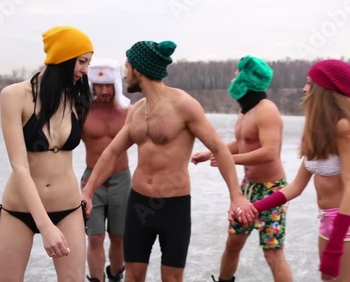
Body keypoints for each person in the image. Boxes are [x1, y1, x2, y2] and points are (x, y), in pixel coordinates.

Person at [81, 40, 257, 282]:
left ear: (139, 70)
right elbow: (111, 152)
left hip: (174, 206)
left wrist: (236, 196)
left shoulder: (184, 105)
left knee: (172, 278)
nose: (125, 74)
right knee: (133, 276)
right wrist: (89, 191)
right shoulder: (136, 110)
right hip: (139, 203)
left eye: (128, 67)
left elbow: (219, 148)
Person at [245, 59, 350, 282]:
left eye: (309, 83)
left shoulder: (343, 127)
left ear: (325, 89)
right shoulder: (316, 129)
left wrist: (335, 248)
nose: (304, 89)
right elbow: (296, 187)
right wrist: (255, 207)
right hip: (326, 219)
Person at [0, 26, 94, 281]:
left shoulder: (77, 100)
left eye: (88, 63)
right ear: (63, 58)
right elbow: (20, 166)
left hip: (67, 209)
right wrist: (45, 226)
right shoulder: (14, 96)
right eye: (82, 61)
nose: (85, 70)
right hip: (19, 211)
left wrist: (90, 190)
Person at [191, 55, 293, 282]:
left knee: (273, 252)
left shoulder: (267, 110)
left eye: (237, 73)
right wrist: (213, 152)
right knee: (233, 243)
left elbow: (270, 152)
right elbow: (243, 142)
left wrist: (229, 159)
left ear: (248, 78)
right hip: (247, 189)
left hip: (271, 190)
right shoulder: (245, 111)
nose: (233, 77)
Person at [82, 58, 132, 282]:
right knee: (95, 237)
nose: (103, 90)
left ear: (116, 84)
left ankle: (115, 276)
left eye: (108, 85)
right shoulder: (83, 111)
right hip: (91, 181)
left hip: (121, 180)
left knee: (118, 236)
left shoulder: (128, 111)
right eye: (99, 85)